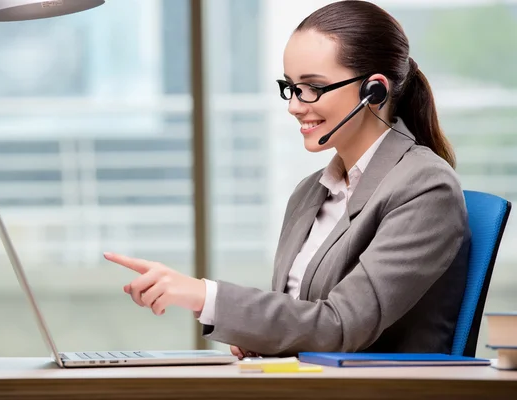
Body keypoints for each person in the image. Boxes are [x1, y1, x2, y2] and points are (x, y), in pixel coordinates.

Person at [103, 0, 470, 358]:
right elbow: (301, 315)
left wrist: (204, 296)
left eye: (312, 87)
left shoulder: (425, 187)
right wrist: (260, 335)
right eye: (291, 87)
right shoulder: (311, 191)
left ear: (374, 91)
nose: (294, 105)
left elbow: (340, 325)